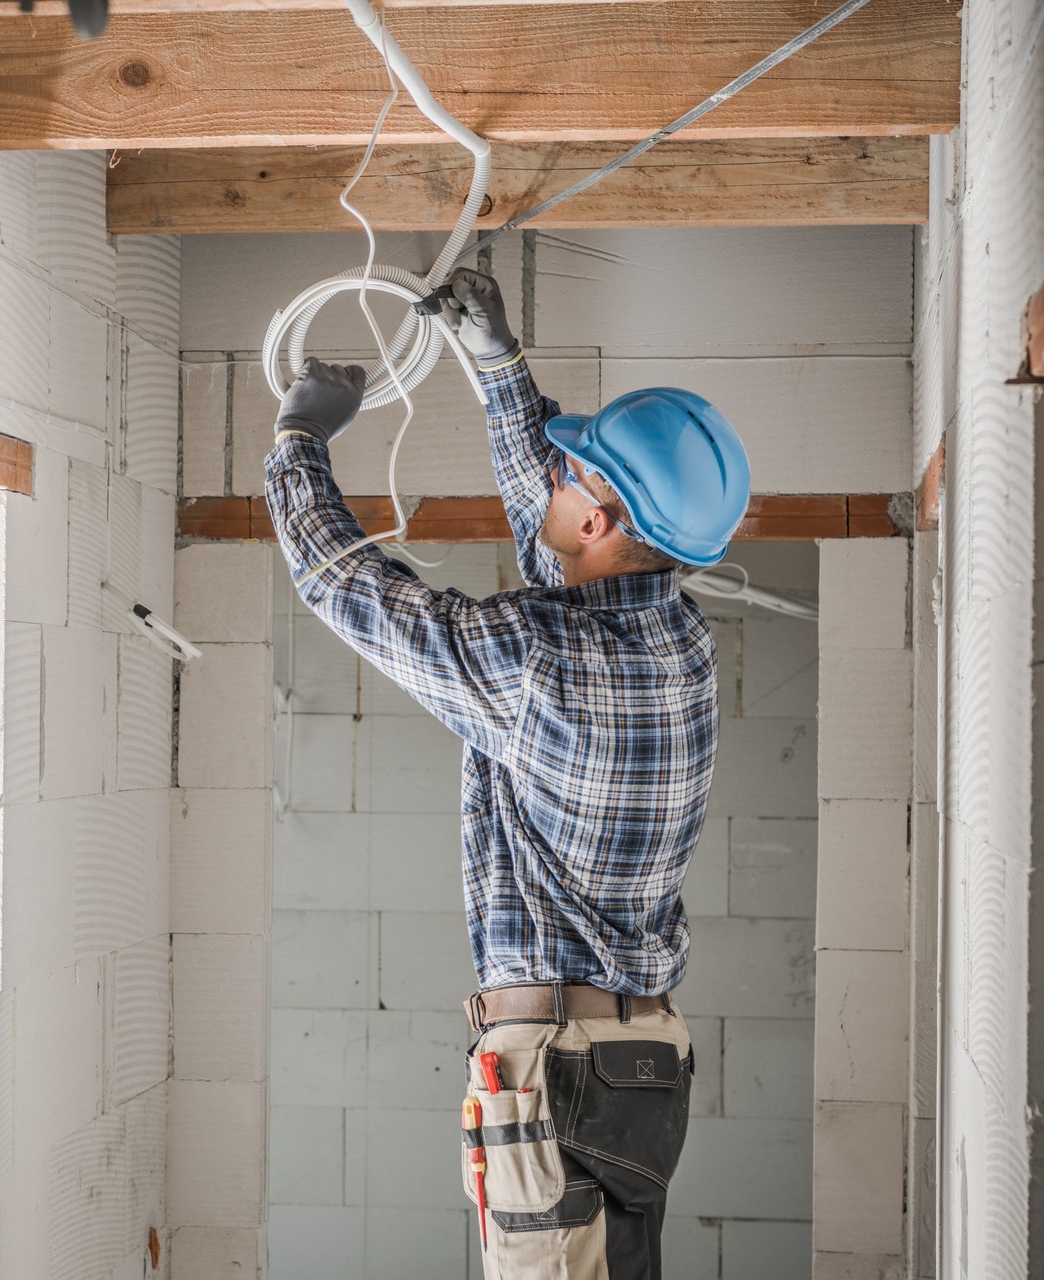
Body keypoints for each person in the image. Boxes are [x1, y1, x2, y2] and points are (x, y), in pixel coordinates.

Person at [262, 267, 752, 1280]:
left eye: (575, 471)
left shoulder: (541, 660)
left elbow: (341, 583)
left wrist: (297, 442)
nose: (558, 478)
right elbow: (563, 538)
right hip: (620, 1067)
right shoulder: (678, 639)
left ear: (603, 521)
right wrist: (497, 364)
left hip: (573, 1070)